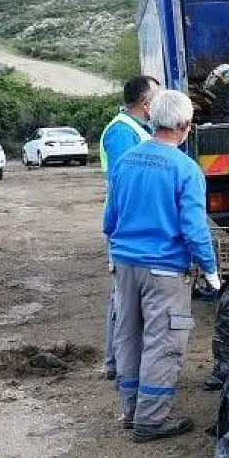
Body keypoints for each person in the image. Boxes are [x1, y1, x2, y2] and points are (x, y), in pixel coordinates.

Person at [103, 89, 221, 442]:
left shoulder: (126, 162)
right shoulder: (185, 169)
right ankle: (151, 419)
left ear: (153, 120)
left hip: (124, 264)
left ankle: (131, 410)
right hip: (164, 269)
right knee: (163, 340)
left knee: (129, 335)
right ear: (186, 126)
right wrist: (210, 270)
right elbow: (194, 228)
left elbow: (109, 219)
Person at [99, 75, 160, 380]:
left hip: (132, 226)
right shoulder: (122, 133)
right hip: (128, 227)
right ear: (146, 103)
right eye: (157, 98)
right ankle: (115, 364)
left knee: (124, 299)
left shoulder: (136, 130)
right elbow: (124, 184)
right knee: (123, 302)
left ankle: (116, 363)